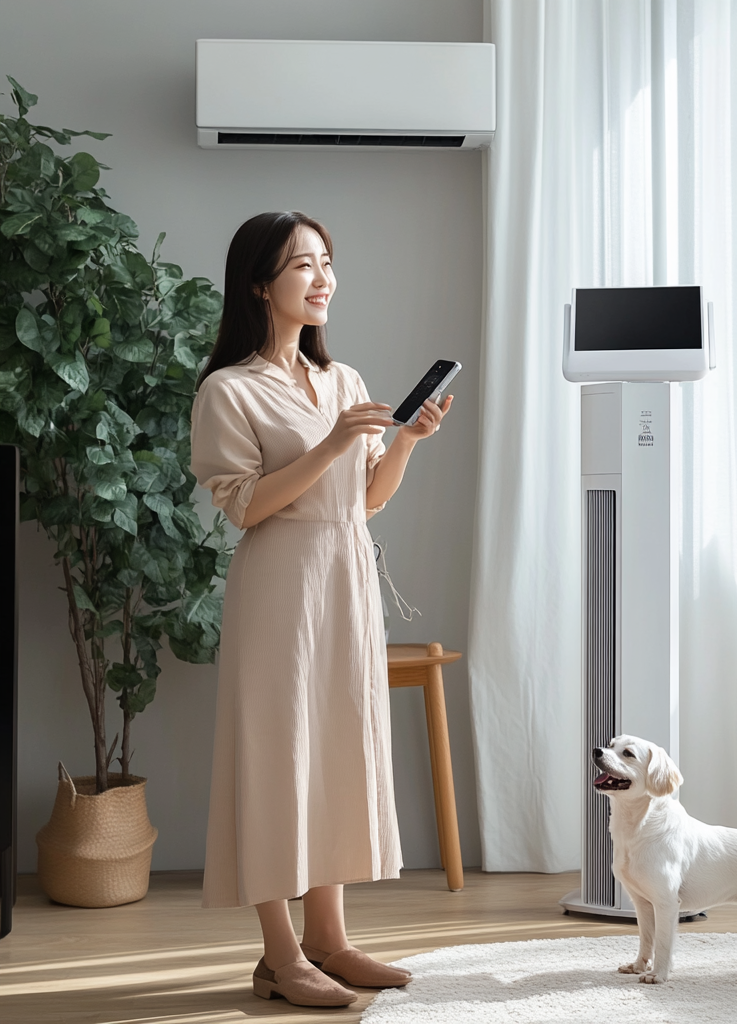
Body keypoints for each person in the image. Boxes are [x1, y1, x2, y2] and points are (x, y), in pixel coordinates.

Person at [190, 211, 453, 1008]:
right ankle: (278, 955)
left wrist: (404, 441)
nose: (323, 277)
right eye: (304, 264)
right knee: (278, 760)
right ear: (260, 285)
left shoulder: (345, 383)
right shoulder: (228, 390)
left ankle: (330, 941)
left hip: (345, 581)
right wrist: (335, 444)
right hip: (280, 588)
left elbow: (365, 502)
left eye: (328, 262)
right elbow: (245, 507)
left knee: (336, 750)